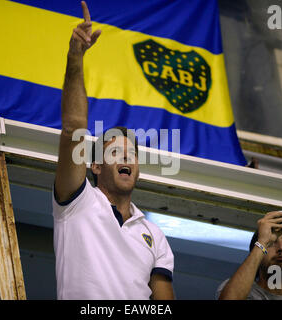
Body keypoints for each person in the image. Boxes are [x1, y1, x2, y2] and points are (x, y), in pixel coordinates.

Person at [52, 1, 174, 300]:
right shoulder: (77, 202)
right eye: (115, 152)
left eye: (131, 154)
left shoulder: (155, 236)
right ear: (94, 166)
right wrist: (75, 58)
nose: (125, 158)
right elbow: (74, 127)